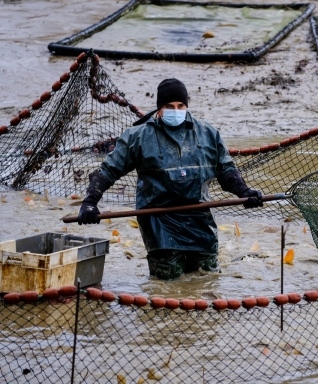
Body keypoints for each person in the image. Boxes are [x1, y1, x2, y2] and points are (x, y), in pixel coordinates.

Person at [78, 78, 263, 280]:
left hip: (199, 220)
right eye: (169, 106)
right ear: (159, 109)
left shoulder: (208, 134)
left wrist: (245, 192)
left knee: (207, 279)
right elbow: (108, 170)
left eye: (180, 106)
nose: (176, 110)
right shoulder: (138, 137)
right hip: (159, 222)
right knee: (166, 284)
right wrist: (90, 202)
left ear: (186, 106)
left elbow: (226, 170)